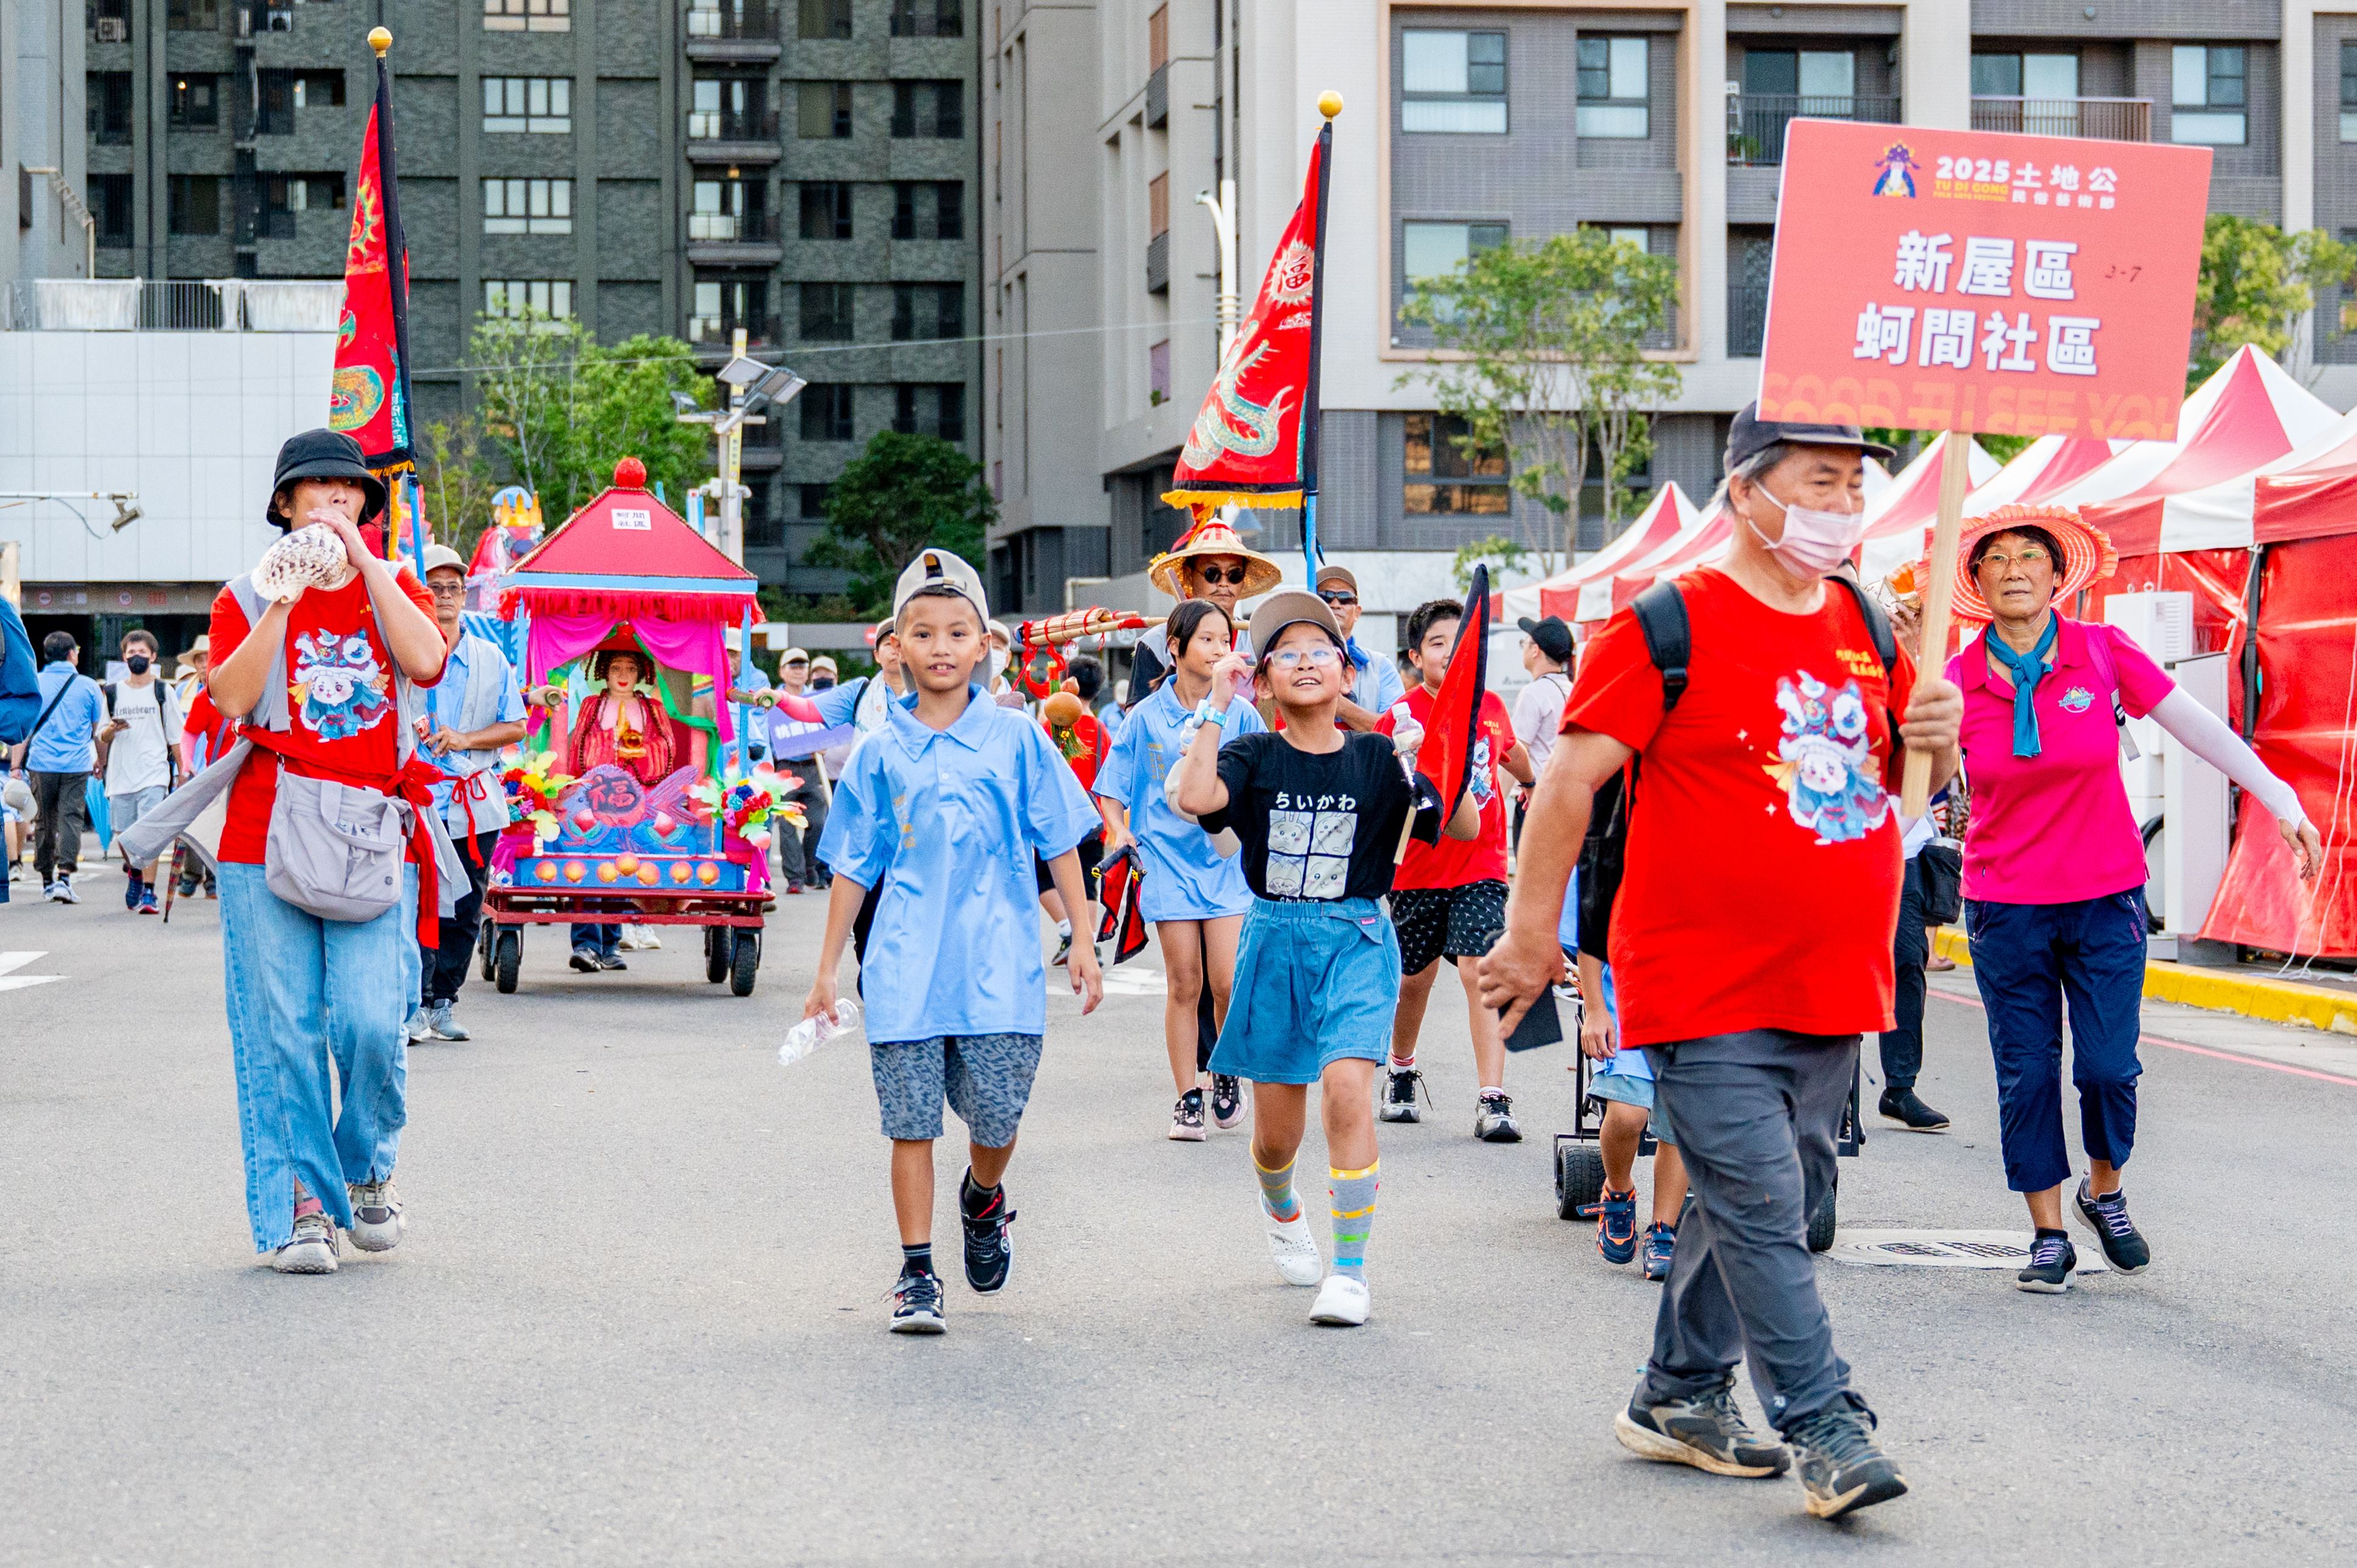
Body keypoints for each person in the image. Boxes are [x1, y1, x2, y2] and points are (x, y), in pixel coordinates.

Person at [1479, 405, 1962, 1521]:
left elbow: (1906, 790)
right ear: (1746, 491)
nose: (1844, 504)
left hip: (1833, 976)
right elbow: (1564, 784)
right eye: (1821, 480)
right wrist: (1529, 930)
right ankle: (1822, 1422)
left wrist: (1931, 730)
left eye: (1855, 485)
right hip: (1698, 979)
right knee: (1756, 1202)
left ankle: (1678, 1392)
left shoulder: (1864, 618)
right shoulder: (1664, 622)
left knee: (1765, 1196)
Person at [1937, 506, 2322, 1294]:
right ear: (1976, 582)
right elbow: (1912, 793)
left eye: (2028, 557)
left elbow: (2199, 729)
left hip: (2105, 896)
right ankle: (2046, 1233)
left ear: (2056, 575)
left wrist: (2282, 799)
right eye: (1995, 559)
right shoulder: (1953, 682)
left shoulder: (2101, 651)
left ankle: (2101, 1191)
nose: (2013, 569)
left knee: (2109, 1068)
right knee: (2026, 1069)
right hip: (2005, 907)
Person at [130, 428, 449, 1274]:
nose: (335, 506)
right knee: (284, 1032)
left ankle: (368, 1168)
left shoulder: (396, 585)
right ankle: (302, 1211)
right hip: (262, 833)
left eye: (350, 496)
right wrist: (283, 598)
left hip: (372, 829)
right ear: (284, 506)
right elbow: (233, 698)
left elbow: (426, 660)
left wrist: (367, 564)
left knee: (375, 1022)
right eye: (317, 494)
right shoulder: (245, 594)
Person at [803, 548, 1105, 1336]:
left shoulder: (1018, 739)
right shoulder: (877, 753)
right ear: (895, 644)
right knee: (909, 1125)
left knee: (997, 1120)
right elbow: (850, 868)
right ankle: (914, 1272)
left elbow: (1060, 839)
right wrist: (827, 969)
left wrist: (1079, 933)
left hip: (1000, 969)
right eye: (923, 631)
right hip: (903, 967)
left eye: (957, 631)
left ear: (984, 646)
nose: (941, 646)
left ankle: (981, 1198)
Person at [1173, 591, 1476, 1328]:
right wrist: (1218, 703)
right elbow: (1194, 798)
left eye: (1322, 651)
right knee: (1278, 1140)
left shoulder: (1378, 758)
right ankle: (1281, 1207)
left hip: (1358, 939)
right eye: (1288, 653)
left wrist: (1439, 751)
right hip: (1275, 939)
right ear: (1265, 678)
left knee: (1347, 1088)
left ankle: (1349, 1271)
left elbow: (1461, 825)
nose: (1306, 662)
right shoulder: (1252, 752)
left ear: (1345, 671)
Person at [1095, 599, 1266, 1138]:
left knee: (1227, 980)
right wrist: (1120, 830)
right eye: (1208, 640)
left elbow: (1262, 776)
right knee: (1183, 983)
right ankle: (1187, 1096)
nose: (1220, 649)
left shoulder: (1240, 713)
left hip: (1225, 863)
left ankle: (1225, 1073)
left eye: (1225, 640)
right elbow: (1111, 788)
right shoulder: (1144, 717)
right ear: (1176, 647)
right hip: (1166, 865)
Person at [1377, 598, 1535, 1140]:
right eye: (1437, 643)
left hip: (1482, 865)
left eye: (1459, 642)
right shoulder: (1398, 717)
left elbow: (1510, 754)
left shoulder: (1490, 704)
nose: (1449, 652)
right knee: (1413, 980)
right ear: (1416, 655)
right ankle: (1400, 1069)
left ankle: (1493, 1097)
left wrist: (1530, 784)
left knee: (1479, 970)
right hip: (1418, 872)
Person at [411, 544, 528, 1041]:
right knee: (418, 904)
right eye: (433, 587)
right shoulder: (401, 652)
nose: (444, 596)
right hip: (413, 802)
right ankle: (412, 1002)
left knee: (464, 907)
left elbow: (517, 725)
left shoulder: (489, 658)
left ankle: (443, 1000)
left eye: (453, 587)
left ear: (465, 594)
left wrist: (465, 739)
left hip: (473, 801)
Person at [562, 646, 691, 972]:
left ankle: (610, 943)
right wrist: (610, 747)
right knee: (593, 863)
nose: (622, 675)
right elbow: (579, 747)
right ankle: (587, 944)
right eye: (616, 667)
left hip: (642, 799)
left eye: (630, 669)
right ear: (603, 671)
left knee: (625, 865)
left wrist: (643, 752)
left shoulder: (652, 708)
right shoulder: (593, 706)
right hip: (597, 798)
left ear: (641, 674)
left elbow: (667, 748)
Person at [1126, 518, 1282, 700]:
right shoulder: (1156, 642)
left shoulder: (1260, 640)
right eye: (1212, 573)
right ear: (1189, 574)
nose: (1224, 583)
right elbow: (1137, 720)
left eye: (1235, 575)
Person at [10, 630, 108, 902]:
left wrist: (17, 766)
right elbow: (96, 731)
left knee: (44, 820)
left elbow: (24, 730)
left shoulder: (35, 683)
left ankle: (46, 880)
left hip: (41, 764)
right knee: (71, 818)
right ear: (71, 654)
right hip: (76, 764)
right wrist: (101, 761)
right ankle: (65, 877)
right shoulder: (89, 686)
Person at [97, 629, 183, 915]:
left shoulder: (163, 691)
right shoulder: (111, 693)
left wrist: (183, 772)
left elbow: (175, 736)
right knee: (124, 835)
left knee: (149, 834)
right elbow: (102, 736)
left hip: (154, 773)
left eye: (142, 653)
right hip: (121, 776)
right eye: (131, 653)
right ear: (124, 657)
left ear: (153, 657)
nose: (136, 658)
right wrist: (113, 728)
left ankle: (149, 893)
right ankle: (134, 872)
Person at [1510, 614, 1576, 849]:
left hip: (1534, 801)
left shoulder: (1534, 693)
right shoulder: (1575, 690)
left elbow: (1514, 753)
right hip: (1568, 801)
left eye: (1525, 643)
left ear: (1535, 650)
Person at [1315, 563, 1406, 732]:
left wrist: (1339, 705)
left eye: (1345, 598)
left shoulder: (1381, 667)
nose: (1335, 604)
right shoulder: (1295, 664)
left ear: (1357, 612)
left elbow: (1397, 731)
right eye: (1325, 596)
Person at [770, 647, 831, 893]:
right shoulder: (772, 700)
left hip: (813, 767)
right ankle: (794, 878)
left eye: (802, 666)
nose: (798, 670)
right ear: (782, 672)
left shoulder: (819, 699)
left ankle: (810, 866)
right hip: (785, 768)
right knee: (786, 824)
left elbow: (830, 728)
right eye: (792, 666)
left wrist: (827, 743)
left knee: (817, 821)